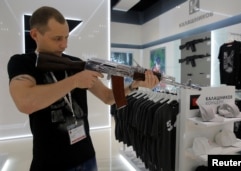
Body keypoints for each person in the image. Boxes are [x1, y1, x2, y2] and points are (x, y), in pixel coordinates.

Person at [7, 6, 159, 171]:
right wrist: (75, 81)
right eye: (57, 38)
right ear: (35, 34)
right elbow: (25, 102)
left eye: (66, 37)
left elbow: (108, 97)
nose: (64, 44)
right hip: (50, 163)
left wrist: (133, 86)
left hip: (86, 157)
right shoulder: (22, 62)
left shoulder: (76, 63)